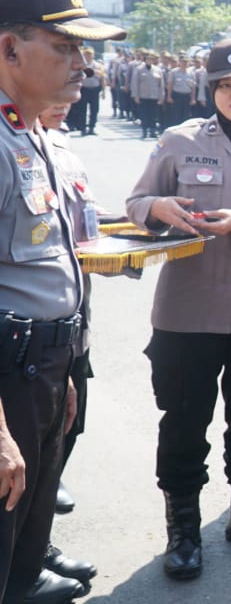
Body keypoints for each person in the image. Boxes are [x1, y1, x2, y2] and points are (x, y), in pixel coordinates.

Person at [126, 38, 231, 581]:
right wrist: (158, 207)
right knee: (183, 422)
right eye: (226, 85)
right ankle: (182, 527)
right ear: (212, 89)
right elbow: (135, 204)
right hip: (186, 313)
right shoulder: (177, 141)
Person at [0, 0, 125, 604]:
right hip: (9, 370)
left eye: (81, 49)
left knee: (22, 535)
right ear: (9, 47)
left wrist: (66, 365)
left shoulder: (31, 133)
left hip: (43, 362)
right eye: (65, 46)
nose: (81, 63)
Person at [35, 104, 103, 595]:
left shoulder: (55, 144)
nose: (74, 84)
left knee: (58, 440)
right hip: (23, 339)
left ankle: (33, 548)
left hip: (68, 327)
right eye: (61, 57)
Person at [131, 50, 164, 138]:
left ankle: (152, 131)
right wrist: (136, 96)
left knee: (153, 114)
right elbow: (135, 83)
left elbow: (161, 85)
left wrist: (161, 96)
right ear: (145, 60)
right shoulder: (139, 69)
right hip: (143, 96)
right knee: (144, 114)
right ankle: (144, 130)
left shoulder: (158, 70)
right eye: (148, 59)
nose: (150, 61)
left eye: (151, 59)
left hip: (154, 96)